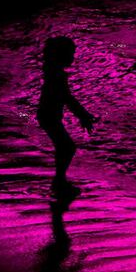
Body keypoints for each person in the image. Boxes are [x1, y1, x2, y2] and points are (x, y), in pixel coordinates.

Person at [37, 36, 95, 196]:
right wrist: (83, 115)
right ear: (62, 55)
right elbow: (67, 98)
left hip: (47, 115)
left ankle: (59, 180)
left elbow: (66, 98)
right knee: (67, 147)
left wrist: (83, 115)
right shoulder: (57, 75)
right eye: (71, 54)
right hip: (49, 115)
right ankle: (59, 181)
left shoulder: (52, 71)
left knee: (64, 147)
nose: (73, 57)